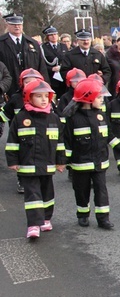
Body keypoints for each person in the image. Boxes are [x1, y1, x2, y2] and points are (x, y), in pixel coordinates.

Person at [4, 79, 66, 239]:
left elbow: (59, 143)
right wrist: (13, 161)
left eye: (47, 96)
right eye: (39, 96)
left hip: (47, 166)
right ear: (28, 98)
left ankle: (46, 218)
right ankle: (33, 224)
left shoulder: (54, 119)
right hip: (27, 167)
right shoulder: (20, 119)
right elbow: (12, 142)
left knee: (47, 194)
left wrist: (60, 162)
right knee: (32, 196)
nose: (44, 99)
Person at [62, 78, 117, 230]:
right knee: (81, 190)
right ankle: (83, 214)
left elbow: (108, 134)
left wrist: (119, 145)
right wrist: (64, 161)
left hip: (100, 162)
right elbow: (67, 141)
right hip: (80, 163)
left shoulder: (100, 115)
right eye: (99, 97)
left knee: (101, 189)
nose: (102, 101)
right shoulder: (73, 119)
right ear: (88, 98)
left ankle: (103, 218)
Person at [1, 68, 45, 194]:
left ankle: (41, 179)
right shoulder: (16, 99)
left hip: (40, 136)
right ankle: (22, 180)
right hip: (21, 137)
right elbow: (4, 115)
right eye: (27, 82)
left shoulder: (43, 98)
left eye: (34, 81)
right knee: (23, 159)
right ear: (21, 84)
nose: (31, 84)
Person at [0, 13, 48, 96]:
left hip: (32, 88)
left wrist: (46, 86)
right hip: (9, 88)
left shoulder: (33, 43)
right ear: (7, 25)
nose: (17, 27)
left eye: (19, 24)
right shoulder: (1, 43)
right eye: (13, 24)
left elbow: (42, 67)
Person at [40, 25, 67, 98]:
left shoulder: (63, 46)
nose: (53, 36)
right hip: (51, 77)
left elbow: (66, 60)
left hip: (62, 76)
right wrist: (51, 69)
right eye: (51, 35)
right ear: (47, 36)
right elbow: (42, 63)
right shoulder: (43, 47)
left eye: (55, 34)